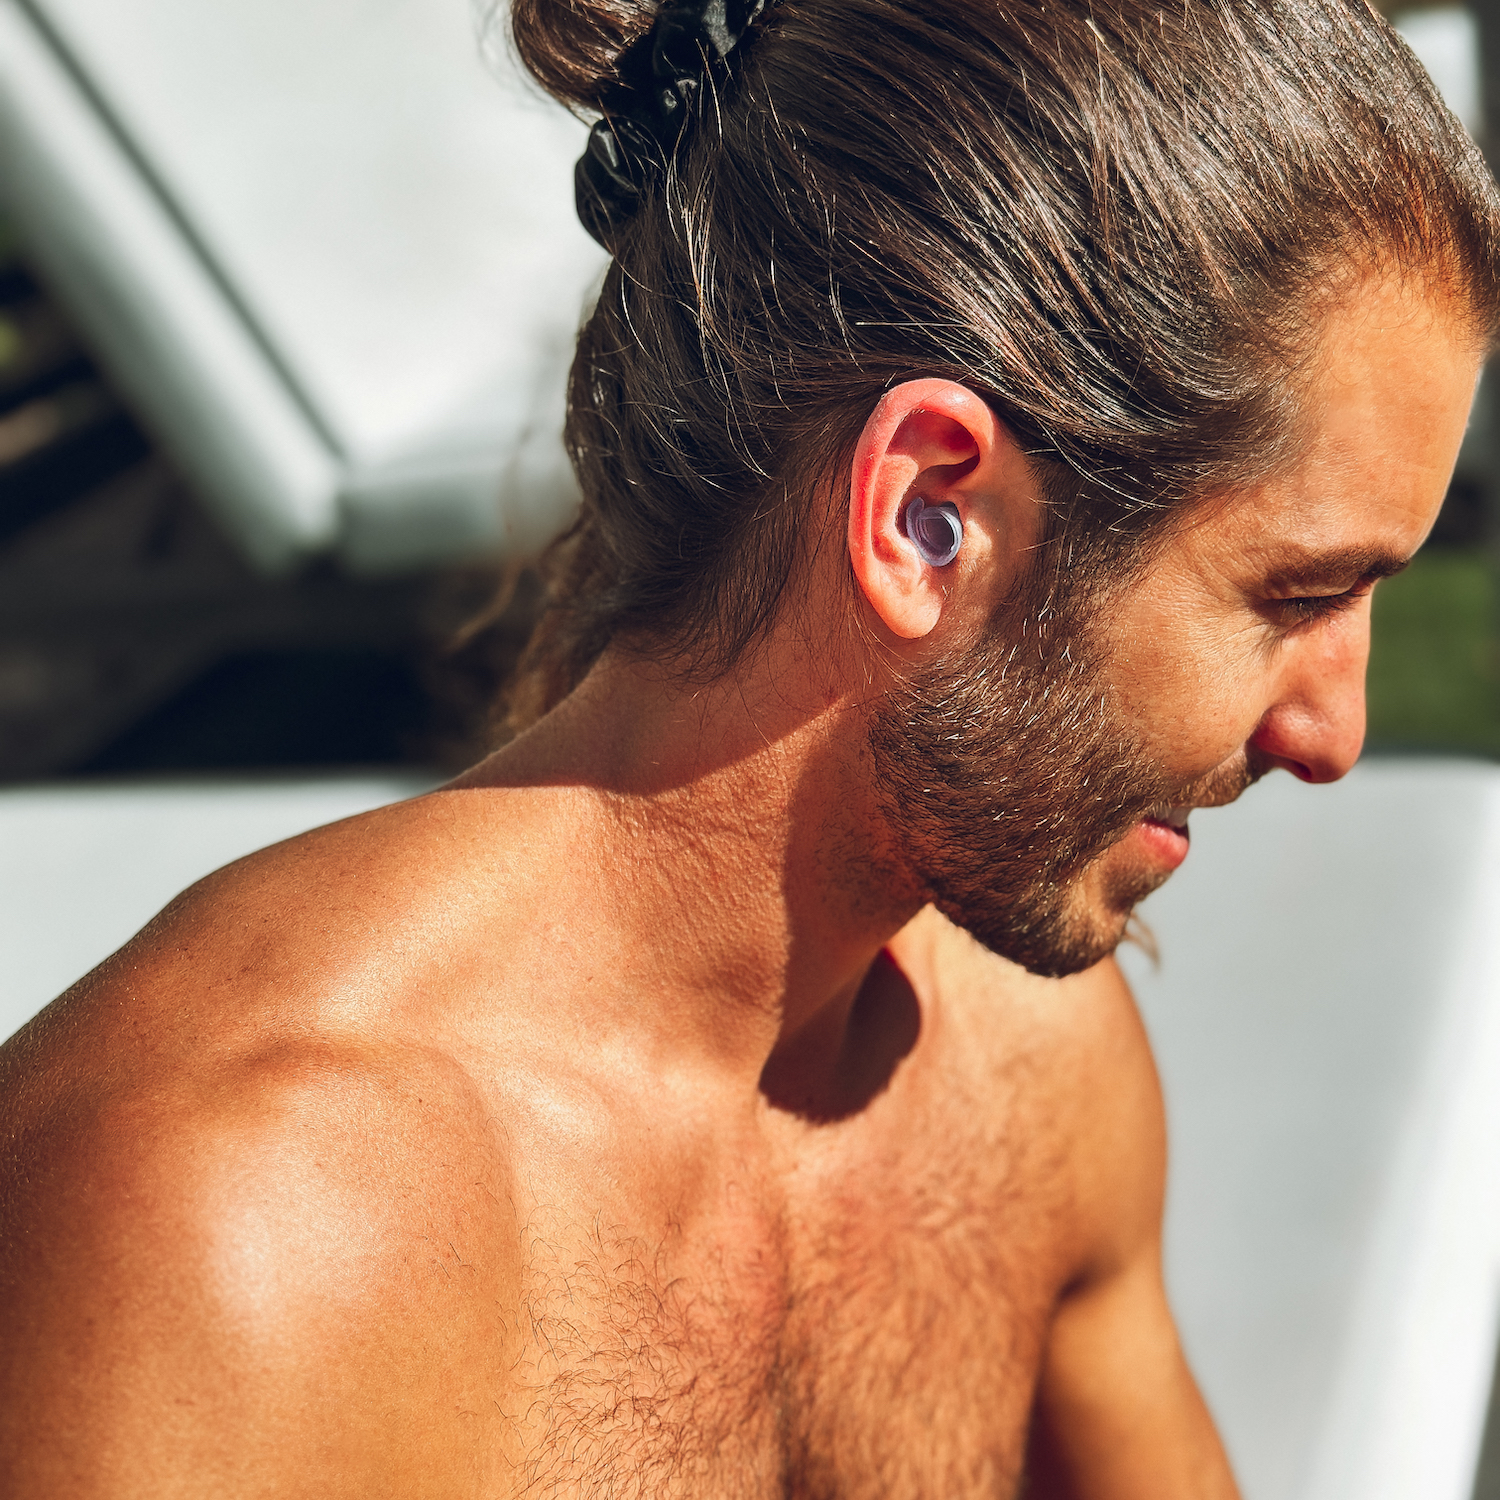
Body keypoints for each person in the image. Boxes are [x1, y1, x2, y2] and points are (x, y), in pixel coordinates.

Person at [2, 0, 1497, 1493]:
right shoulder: (224, 1240)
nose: (1334, 734)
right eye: (1294, 593)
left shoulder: (1029, 1072)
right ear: (928, 516)